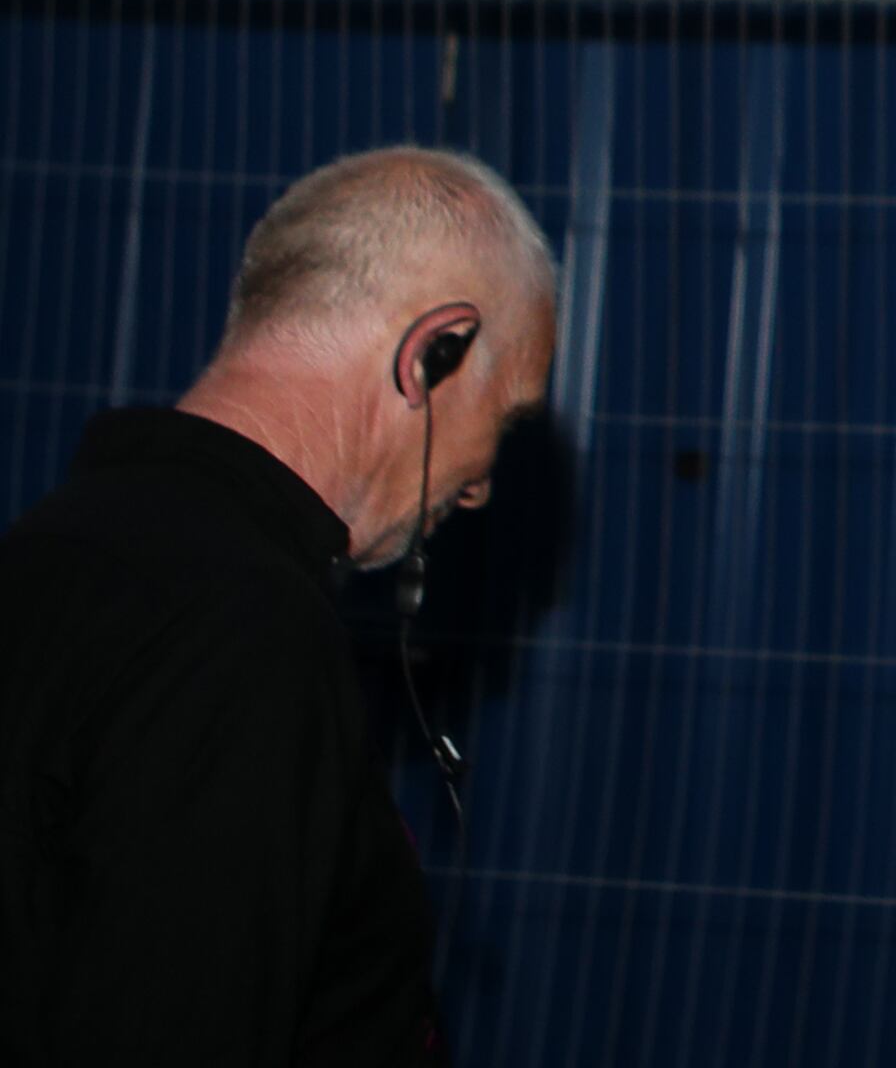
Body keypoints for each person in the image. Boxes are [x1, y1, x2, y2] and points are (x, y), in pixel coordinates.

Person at [0, 146, 558, 1064]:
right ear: (432, 352)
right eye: (500, 419)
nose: (481, 488)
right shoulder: (243, 638)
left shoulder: (51, 551)